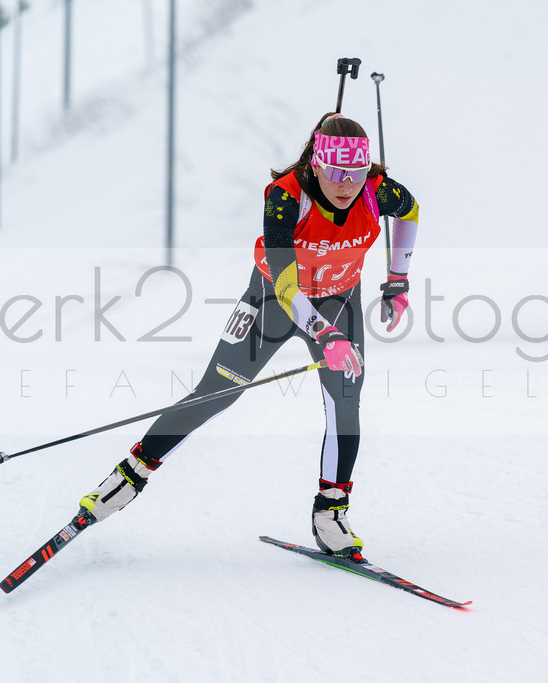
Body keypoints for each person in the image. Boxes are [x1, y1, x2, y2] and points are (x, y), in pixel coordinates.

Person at [76, 112, 420, 557]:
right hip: (272, 304)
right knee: (215, 394)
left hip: (340, 300)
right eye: (335, 172)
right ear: (316, 163)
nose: (345, 184)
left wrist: (398, 279)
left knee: (345, 402)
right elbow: (284, 281)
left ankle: (330, 511)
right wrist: (325, 333)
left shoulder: (376, 192)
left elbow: (410, 209)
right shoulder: (285, 197)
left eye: (355, 173)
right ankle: (127, 478)